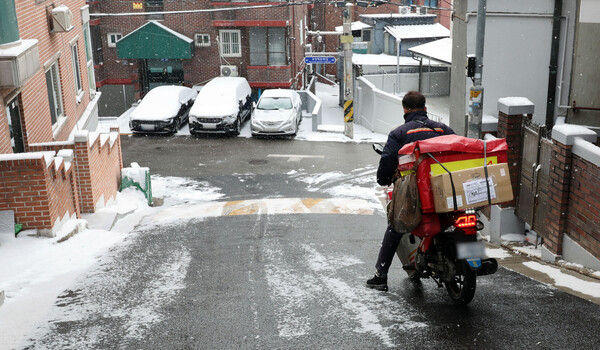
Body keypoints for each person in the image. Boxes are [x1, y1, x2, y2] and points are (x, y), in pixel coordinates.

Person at [366, 91, 454, 291]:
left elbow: (388, 162)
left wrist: (383, 179)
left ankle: (381, 275)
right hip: (448, 191)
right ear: (425, 108)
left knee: (396, 225)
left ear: (405, 110)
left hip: (417, 193)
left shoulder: (399, 133)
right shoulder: (445, 130)